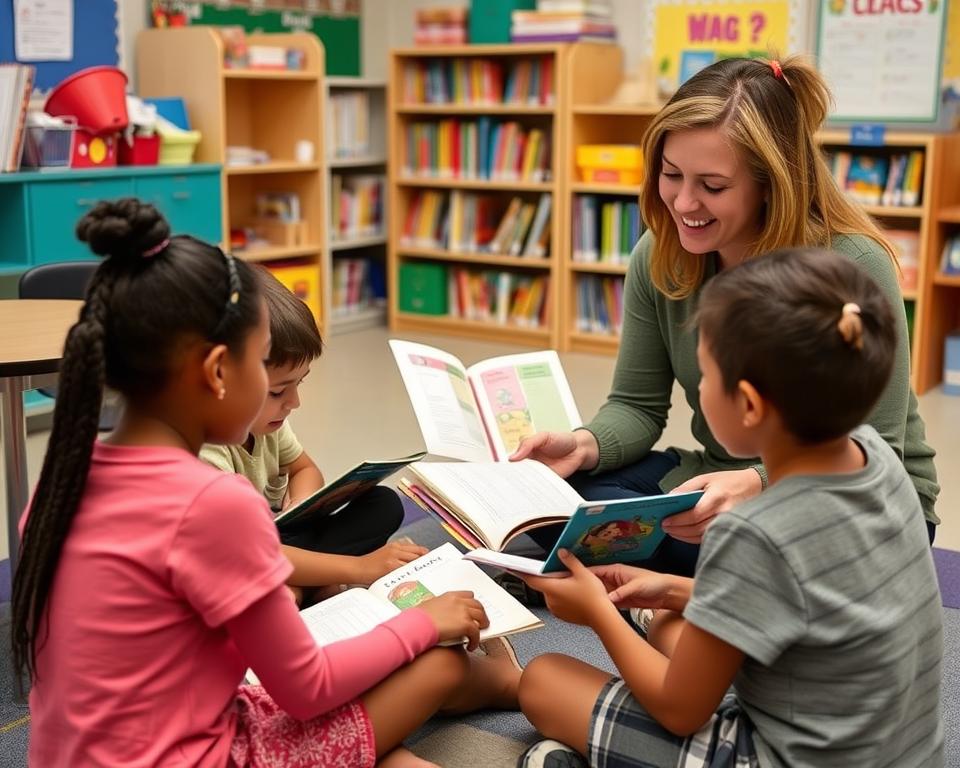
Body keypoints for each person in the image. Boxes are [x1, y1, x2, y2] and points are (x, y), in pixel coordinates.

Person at [11, 199, 521, 768]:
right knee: (438, 661)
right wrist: (419, 623)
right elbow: (307, 689)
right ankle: (506, 688)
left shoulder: (57, 485)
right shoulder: (212, 500)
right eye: (263, 365)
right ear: (217, 373)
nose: (289, 399)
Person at [515, 247, 943, 768]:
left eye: (706, 374)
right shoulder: (876, 461)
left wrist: (598, 613)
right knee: (668, 625)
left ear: (748, 404)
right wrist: (672, 590)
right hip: (903, 753)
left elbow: (680, 711)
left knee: (543, 681)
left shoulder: (752, 533)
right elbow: (816, 603)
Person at [511, 55, 939, 575]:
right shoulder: (660, 253)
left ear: (772, 183)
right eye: (671, 175)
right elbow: (637, 405)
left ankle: (658, 581)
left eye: (712, 186)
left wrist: (758, 482)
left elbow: (876, 448)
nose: (684, 202)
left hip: (855, 496)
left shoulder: (853, 264)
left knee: (743, 550)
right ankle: (676, 577)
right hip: (719, 474)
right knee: (562, 502)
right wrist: (583, 444)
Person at [201, 268, 423, 601]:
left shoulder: (264, 421)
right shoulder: (206, 454)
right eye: (277, 392)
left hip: (274, 538)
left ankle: (305, 581)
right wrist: (361, 568)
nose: (295, 402)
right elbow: (244, 553)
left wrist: (301, 504)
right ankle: (308, 583)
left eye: (299, 383)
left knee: (384, 504)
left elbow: (304, 468)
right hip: (236, 557)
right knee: (265, 578)